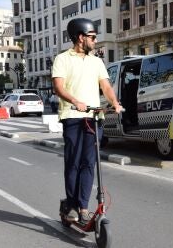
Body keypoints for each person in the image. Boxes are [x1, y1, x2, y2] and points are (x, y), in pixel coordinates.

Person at [52, 18, 123, 224]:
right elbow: (59, 87)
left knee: (89, 164)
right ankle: (71, 205)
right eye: (92, 36)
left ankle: (83, 207)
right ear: (81, 37)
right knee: (73, 163)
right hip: (73, 117)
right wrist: (75, 101)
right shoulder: (62, 59)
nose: (95, 40)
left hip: (93, 119)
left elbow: (106, 87)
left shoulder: (96, 61)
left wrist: (115, 103)